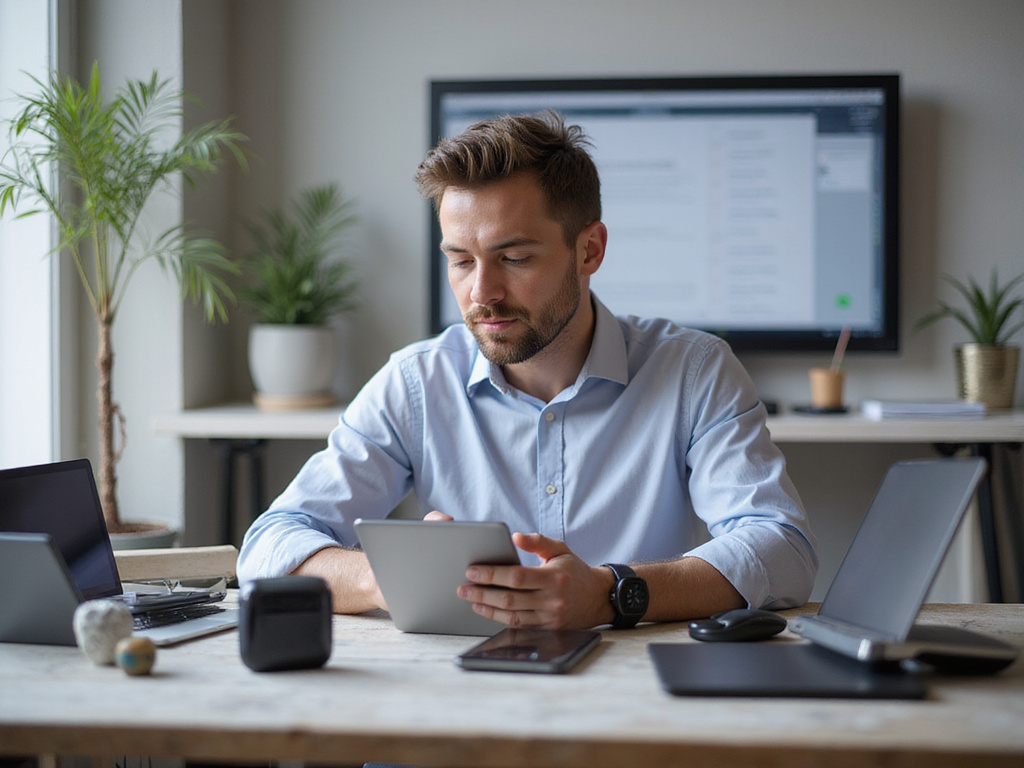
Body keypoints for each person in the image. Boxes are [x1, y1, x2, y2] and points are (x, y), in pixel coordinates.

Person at [236, 112, 817, 630]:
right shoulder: (416, 382)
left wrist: (612, 592)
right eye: (460, 261)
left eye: (514, 258)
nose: (481, 293)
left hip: (628, 707)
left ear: (589, 250)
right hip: (452, 710)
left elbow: (783, 548)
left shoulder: (693, 371)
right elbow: (269, 544)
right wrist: (386, 577)